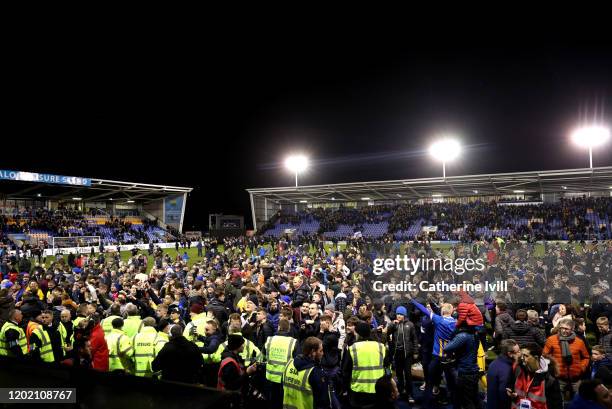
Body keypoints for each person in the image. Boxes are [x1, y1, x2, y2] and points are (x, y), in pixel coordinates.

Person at [343, 321, 389, 408]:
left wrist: (346, 389)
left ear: (357, 333)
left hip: (358, 391)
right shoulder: (381, 347)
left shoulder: (353, 348)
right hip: (379, 391)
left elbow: (346, 372)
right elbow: (387, 369)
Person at [543, 317, 590, 397]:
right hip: (559, 377)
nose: (563, 331)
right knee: (559, 402)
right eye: (561, 328)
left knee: (578, 401)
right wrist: (553, 367)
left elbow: (586, 357)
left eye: (566, 329)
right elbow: (544, 356)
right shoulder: (551, 339)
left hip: (576, 377)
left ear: (572, 329)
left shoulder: (579, 342)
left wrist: (581, 367)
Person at [508, 343, 563, 409]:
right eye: (521, 355)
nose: (522, 358)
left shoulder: (549, 378)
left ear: (536, 358)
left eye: (525, 355)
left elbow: (556, 405)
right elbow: (513, 387)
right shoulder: (518, 370)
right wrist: (513, 394)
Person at [282, 336, 332, 409]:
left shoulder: (289, 364)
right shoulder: (315, 372)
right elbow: (323, 402)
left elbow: (281, 389)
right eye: (320, 351)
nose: (323, 353)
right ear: (313, 352)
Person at [443, 323, 481, 409]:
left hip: (465, 371)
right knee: (475, 398)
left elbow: (447, 348)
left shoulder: (462, 336)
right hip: (473, 369)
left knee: (466, 401)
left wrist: (453, 335)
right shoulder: (475, 334)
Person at [385, 305, 418, 403]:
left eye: (401, 314)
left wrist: (415, 351)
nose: (399, 316)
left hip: (407, 354)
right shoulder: (394, 324)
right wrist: (391, 324)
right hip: (397, 353)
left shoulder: (410, 324)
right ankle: (401, 390)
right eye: (398, 314)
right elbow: (387, 333)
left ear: (404, 315)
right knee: (399, 374)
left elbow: (414, 339)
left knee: (408, 375)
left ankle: (410, 394)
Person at [265, 318, 298, 409]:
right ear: (289, 329)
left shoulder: (269, 339)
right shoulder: (293, 342)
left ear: (278, 327)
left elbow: (263, 355)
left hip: (270, 377)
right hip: (285, 379)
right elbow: (296, 361)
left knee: (272, 403)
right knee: (283, 403)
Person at [487, 339, 520, 409]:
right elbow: (503, 392)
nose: (520, 354)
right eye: (518, 352)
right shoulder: (506, 369)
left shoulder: (494, 363)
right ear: (510, 354)